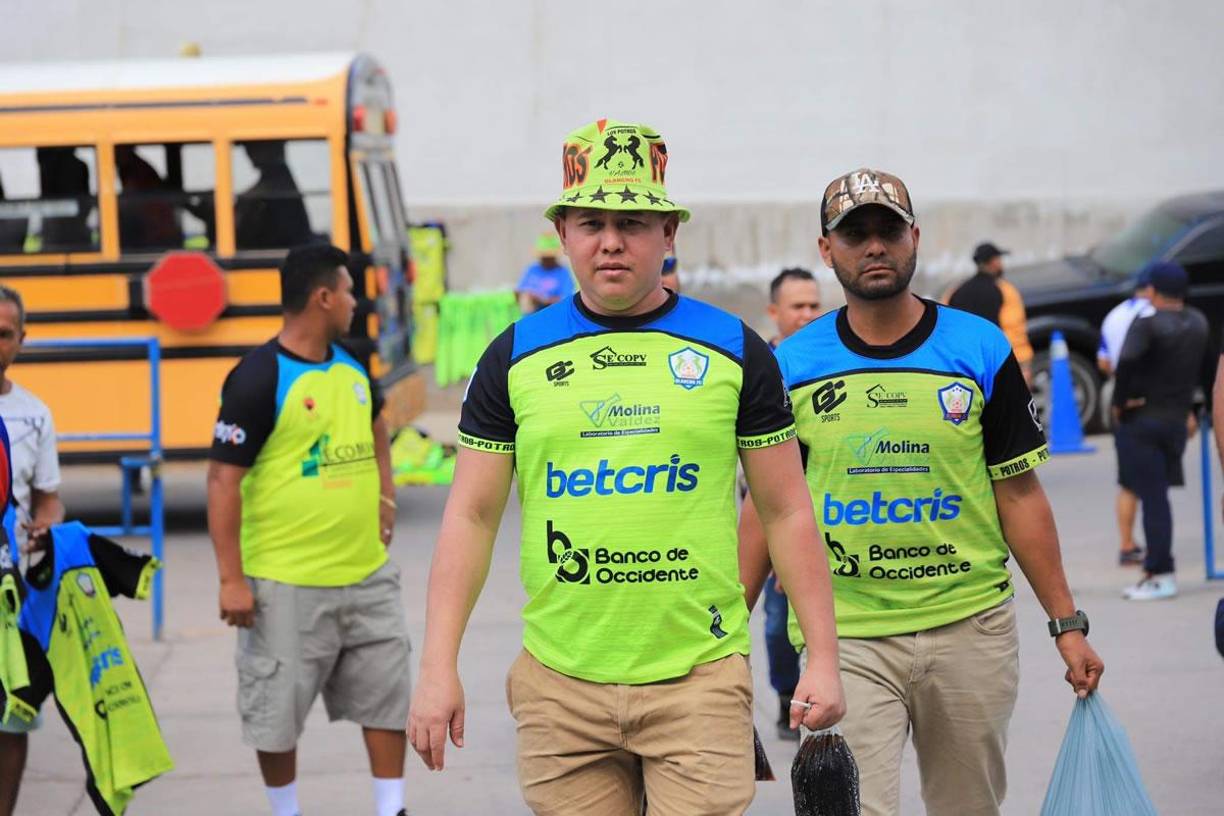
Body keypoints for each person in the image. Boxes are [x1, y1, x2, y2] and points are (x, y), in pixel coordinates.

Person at [408, 119, 844, 816]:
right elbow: (471, 514)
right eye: (591, 222)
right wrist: (436, 667)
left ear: (668, 234)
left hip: (697, 681)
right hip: (560, 685)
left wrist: (820, 655)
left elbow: (786, 509)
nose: (611, 241)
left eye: (633, 222)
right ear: (563, 234)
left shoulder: (735, 350)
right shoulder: (514, 356)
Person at [740, 168, 1103, 816]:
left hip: (970, 630)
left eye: (887, 230)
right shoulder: (790, 365)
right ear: (827, 251)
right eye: (855, 234)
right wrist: (721, 645)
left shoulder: (978, 348)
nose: (873, 246)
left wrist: (1066, 624)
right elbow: (766, 509)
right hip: (844, 637)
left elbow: (1019, 495)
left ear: (914, 238)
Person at [206, 244, 411, 816]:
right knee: (276, 713)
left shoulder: (351, 368)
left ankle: (391, 808)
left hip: (367, 576)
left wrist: (385, 500)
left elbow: (376, 427)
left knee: (387, 700)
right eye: (347, 290)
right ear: (322, 297)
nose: (354, 301)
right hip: (285, 584)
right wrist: (231, 580)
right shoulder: (256, 378)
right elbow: (222, 481)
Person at [0, 284, 64, 816]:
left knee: (11, 714)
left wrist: (47, 529)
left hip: (7, 589)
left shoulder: (34, 414)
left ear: (21, 339)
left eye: (4, 333)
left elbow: (48, 499)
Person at [753, 266, 822, 740]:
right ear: (775, 313)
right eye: (798, 306)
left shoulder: (830, 362)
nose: (808, 314)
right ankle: (784, 695)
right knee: (778, 624)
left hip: (825, 522)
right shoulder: (758, 369)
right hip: (768, 519)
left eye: (815, 305)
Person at [1114, 261, 1208, 601]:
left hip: (1144, 421)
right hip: (1175, 422)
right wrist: (1194, 411)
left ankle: (1159, 571)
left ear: (1152, 290)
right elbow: (1204, 373)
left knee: (1152, 499)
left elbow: (1126, 365)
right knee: (1160, 498)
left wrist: (1118, 404)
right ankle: (1159, 568)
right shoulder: (1198, 322)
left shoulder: (1147, 324)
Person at [1098, 267, 1156, 565]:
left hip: (1118, 395)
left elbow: (1104, 361)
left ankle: (1127, 542)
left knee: (1128, 480)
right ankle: (1152, 546)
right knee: (1153, 481)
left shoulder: (1114, 314)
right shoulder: (1154, 313)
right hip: (1149, 399)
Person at [945, 241, 1034, 383]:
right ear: (993, 262)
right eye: (999, 259)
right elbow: (1013, 330)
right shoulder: (1005, 290)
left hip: (962, 367)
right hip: (997, 365)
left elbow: (944, 328)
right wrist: (1023, 365)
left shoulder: (954, 291)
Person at [234, 141, 314, 250]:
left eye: (253, 147)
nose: (248, 153)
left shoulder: (277, 183)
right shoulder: (278, 179)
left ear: (272, 149)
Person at [515, 233, 574, 313]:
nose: (546, 261)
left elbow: (566, 300)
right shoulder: (532, 269)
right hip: (531, 316)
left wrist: (543, 300)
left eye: (549, 258)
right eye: (544, 257)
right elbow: (519, 291)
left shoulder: (562, 272)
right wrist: (528, 296)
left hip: (553, 315)